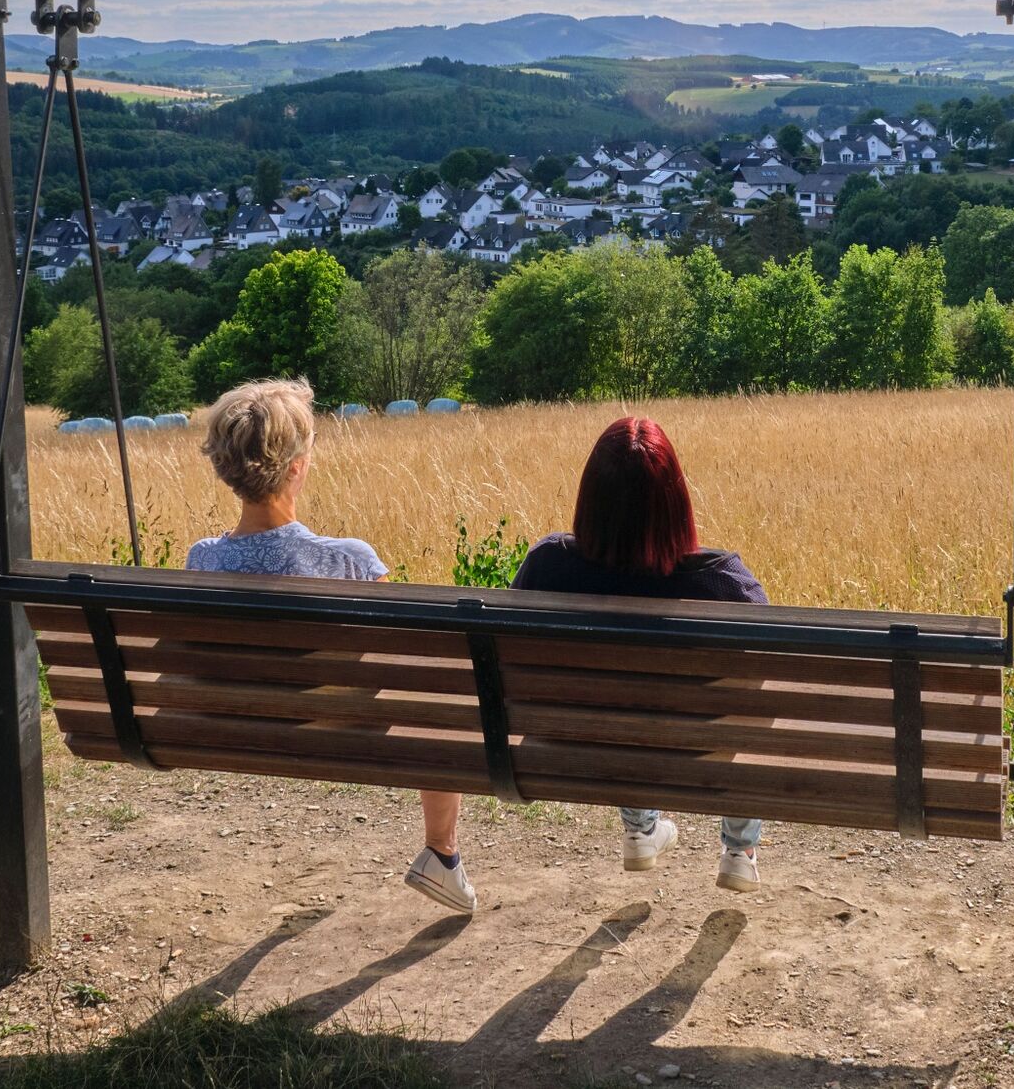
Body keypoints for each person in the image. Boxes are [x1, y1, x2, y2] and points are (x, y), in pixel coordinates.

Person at [187, 378, 474, 915]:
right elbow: (406, 662)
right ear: (297, 467)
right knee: (441, 703)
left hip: (238, 730)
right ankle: (442, 851)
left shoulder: (201, 560)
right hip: (342, 733)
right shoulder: (349, 560)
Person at [511, 416, 768, 893]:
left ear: (590, 497)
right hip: (698, 751)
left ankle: (640, 829)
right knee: (739, 716)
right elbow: (765, 671)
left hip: (579, 749)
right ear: (676, 501)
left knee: (621, 713)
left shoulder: (548, 565)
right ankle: (739, 850)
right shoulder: (723, 582)